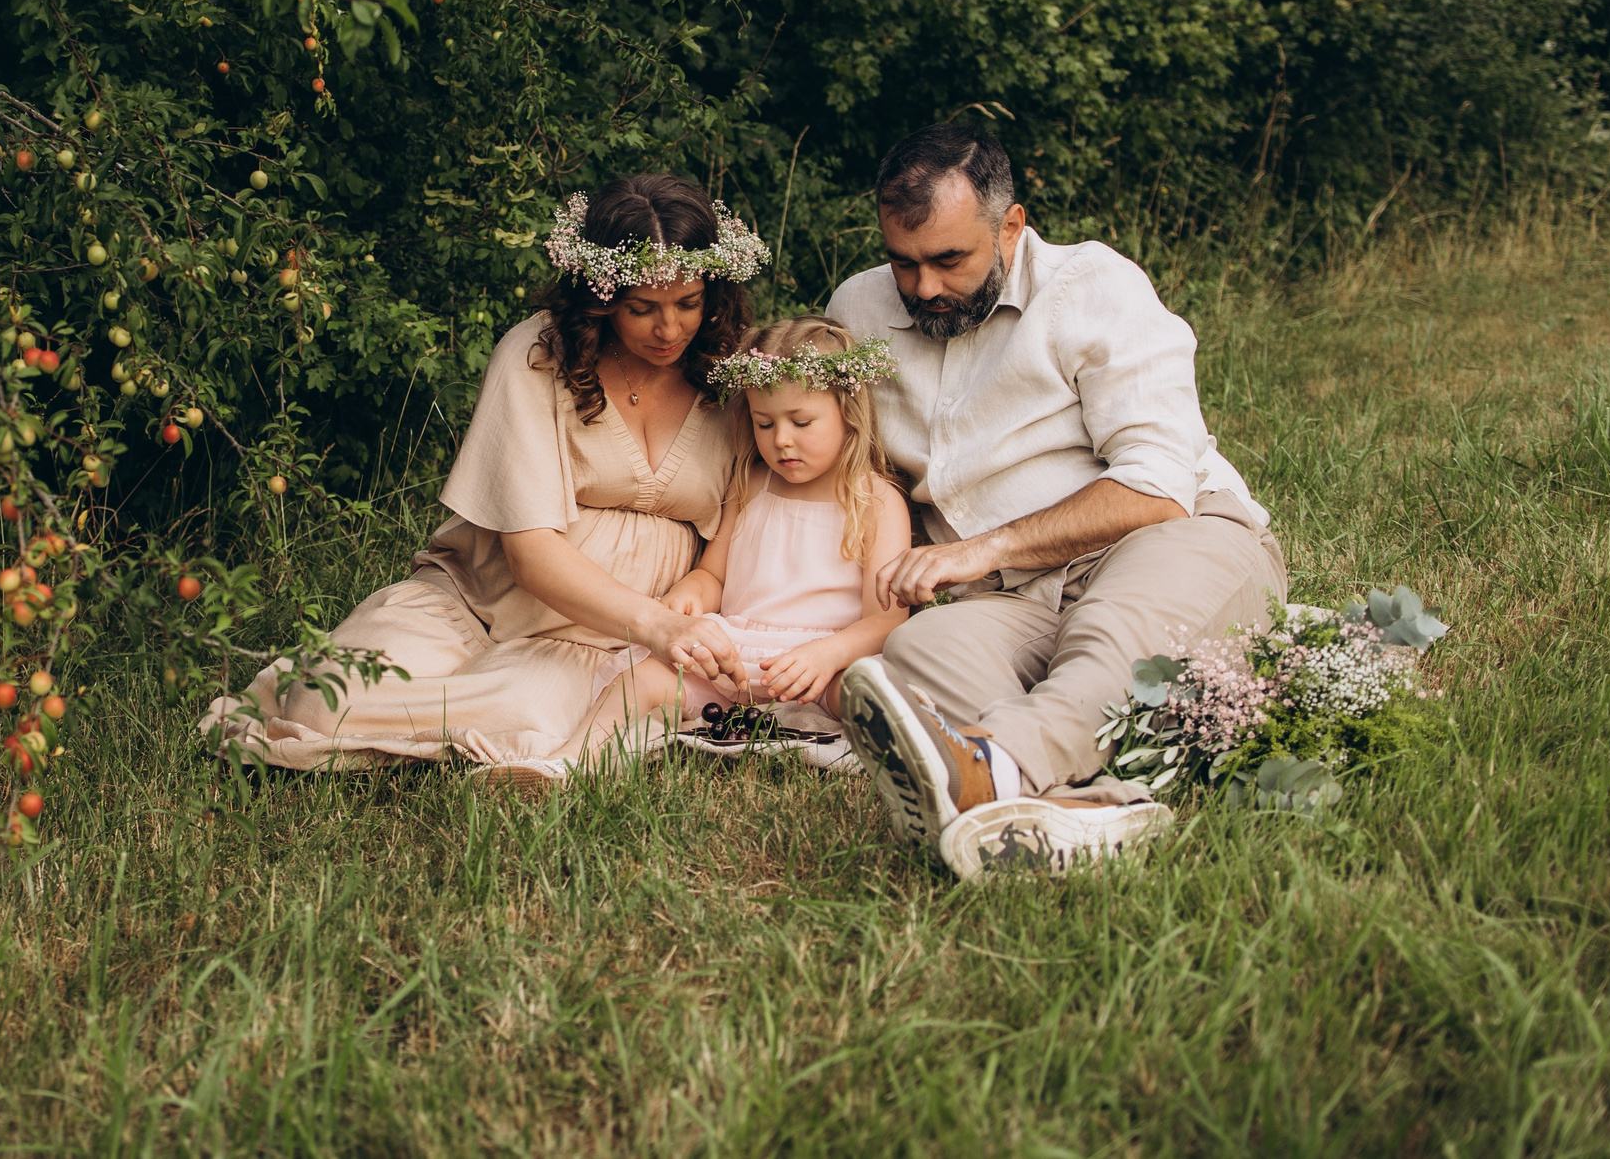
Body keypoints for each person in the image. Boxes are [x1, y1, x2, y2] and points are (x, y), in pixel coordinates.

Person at [826, 123, 1289, 881]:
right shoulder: (859, 310)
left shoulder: (1091, 287)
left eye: (949, 259)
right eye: (902, 262)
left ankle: (992, 768)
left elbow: (1158, 483)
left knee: (1107, 632)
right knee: (917, 650)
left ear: (1012, 225)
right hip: (1016, 600)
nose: (924, 287)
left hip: (1171, 544)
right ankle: (1091, 809)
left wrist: (986, 547)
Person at [203, 173, 770, 791]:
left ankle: (533, 728)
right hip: (470, 606)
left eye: (688, 303)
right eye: (642, 308)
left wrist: (683, 607)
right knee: (321, 704)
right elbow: (531, 552)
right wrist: (661, 625)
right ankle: (492, 727)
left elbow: (764, 502)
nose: (670, 330)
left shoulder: (735, 372)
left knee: (534, 714)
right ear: (600, 297)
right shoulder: (537, 355)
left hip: (601, 644)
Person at [635, 316, 914, 765]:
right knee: (641, 678)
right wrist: (691, 593)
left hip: (826, 663)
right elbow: (713, 574)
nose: (781, 440)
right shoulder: (749, 486)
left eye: (801, 422)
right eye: (764, 424)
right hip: (737, 659)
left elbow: (885, 622)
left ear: (849, 412)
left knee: (866, 691)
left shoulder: (875, 501)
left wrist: (828, 655)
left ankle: (903, 755)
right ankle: (574, 757)